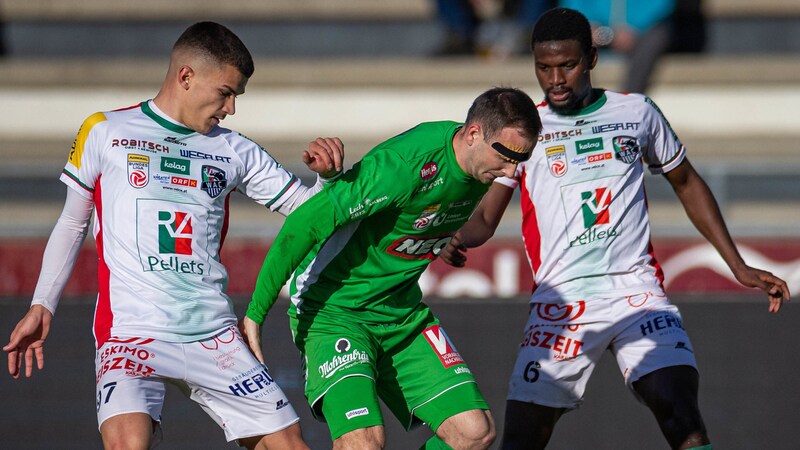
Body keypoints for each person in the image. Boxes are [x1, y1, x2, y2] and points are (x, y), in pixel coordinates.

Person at [440, 8, 790, 450]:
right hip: (561, 303)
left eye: (567, 65)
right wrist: (454, 235)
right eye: (543, 68)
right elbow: (486, 218)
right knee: (522, 440)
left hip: (635, 292)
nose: (555, 79)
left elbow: (686, 182)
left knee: (681, 412)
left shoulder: (637, 112)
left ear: (591, 59)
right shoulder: (528, 131)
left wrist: (737, 265)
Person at [3, 21, 345, 450]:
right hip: (132, 333)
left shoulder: (235, 149)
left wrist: (328, 180)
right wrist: (41, 304)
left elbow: (306, 212)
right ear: (186, 76)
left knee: (290, 445)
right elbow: (73, 223)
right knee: (127, 444)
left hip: (213, 334)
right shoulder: (105, 130)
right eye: (226, 92)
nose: (232, 108)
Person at [241, 87, 542, 449]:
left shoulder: (481, 168)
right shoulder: (407, 164)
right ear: (475, 133)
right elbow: (305, 223)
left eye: (520, 160)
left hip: (401, 313)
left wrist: (442, 235)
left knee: (474, 435)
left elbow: (432, 214)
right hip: (335, 311)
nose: (511, 170)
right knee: (364, 443)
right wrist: (255, 314)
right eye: (507, 156)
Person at [561, 0, 676, 93]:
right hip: (598, 28)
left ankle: (631, 102)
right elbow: (573, 4)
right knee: (574, 39)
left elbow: (661, 4)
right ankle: (583, 104)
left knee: (655, 38)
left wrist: (635, 27)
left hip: (641, 30)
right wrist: (587, 22)